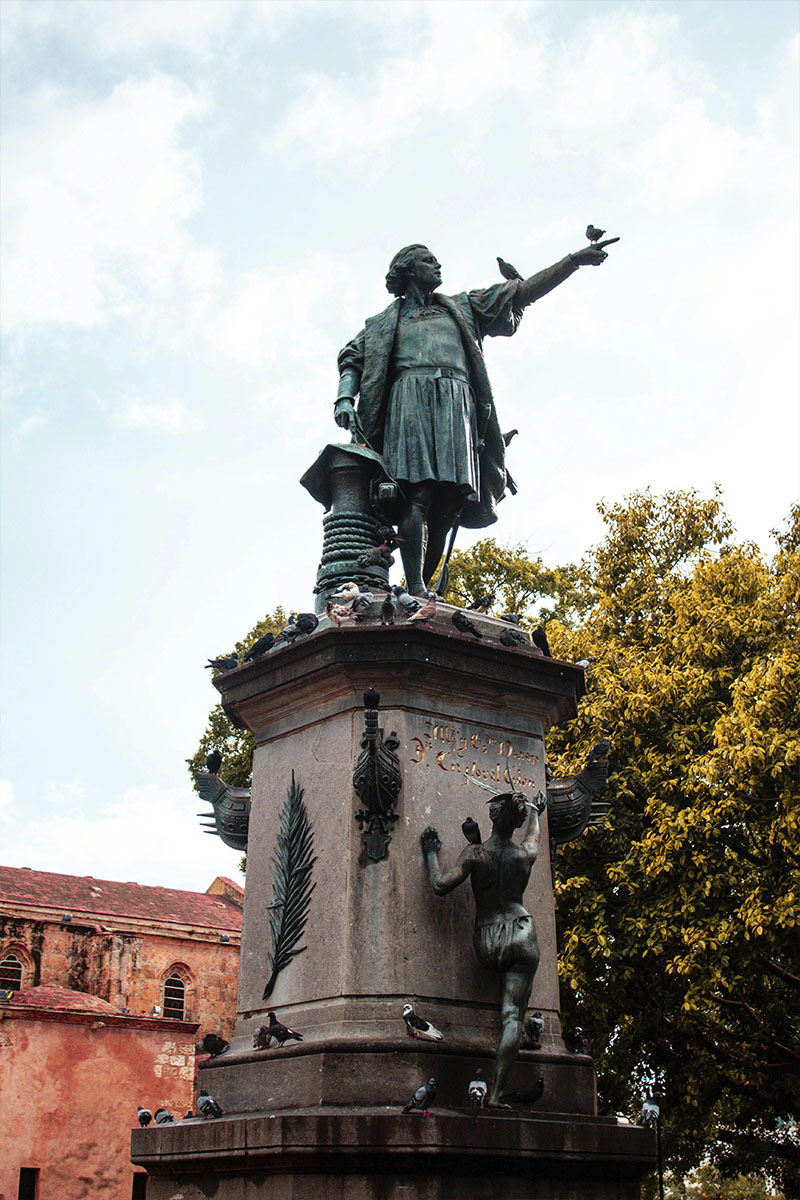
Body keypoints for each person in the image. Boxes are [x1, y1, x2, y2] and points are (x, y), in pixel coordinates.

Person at [335, 242, 611, 594]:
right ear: (407, 270)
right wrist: (345, 397)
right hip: (409, 403)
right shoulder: (382, 324)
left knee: (450, 504)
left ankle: (415, 586)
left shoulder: (462, 307)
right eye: (428, 261)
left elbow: (521, 292)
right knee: (418, 493)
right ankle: (417, 587)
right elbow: (352, 359)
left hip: (457, 404)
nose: (437, 265)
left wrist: (573, 261)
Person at [421, 790, 548, 1107]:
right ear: (515, 824)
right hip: (522, 932)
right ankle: (494, 1094)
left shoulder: (475, 854)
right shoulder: (523, 855)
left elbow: (440, 886)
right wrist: (535, 812)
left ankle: (502, 1066)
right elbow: (534, 837)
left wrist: (431, 854)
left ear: (493, 816)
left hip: (487, 939)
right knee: (511, 1018)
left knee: (511, 1014)